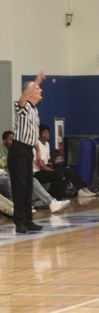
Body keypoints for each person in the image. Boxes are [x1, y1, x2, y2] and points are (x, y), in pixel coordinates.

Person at [9, 72, 46, 233]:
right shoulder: (22, 107)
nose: (41, 92)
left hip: (28, 150)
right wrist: (36, 81)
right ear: (29, 92)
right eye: (37, 90)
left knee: (28, 187)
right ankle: (20, 222)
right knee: (19, 187)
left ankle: (28, 220)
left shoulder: (35, 110)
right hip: (18, 150)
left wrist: (37, 151)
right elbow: (21, 99)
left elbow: (32, 134)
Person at [1, 129, 71, 213]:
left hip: (13, 174)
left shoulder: (14, 151)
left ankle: (51, 202)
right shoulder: (1, 151)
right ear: (4, 140)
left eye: (14, 140)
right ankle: (20, 207)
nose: (12, 142)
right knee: (10, 182)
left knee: (30, 179)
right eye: (10, 139)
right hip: (3, 176)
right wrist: (6, 173)